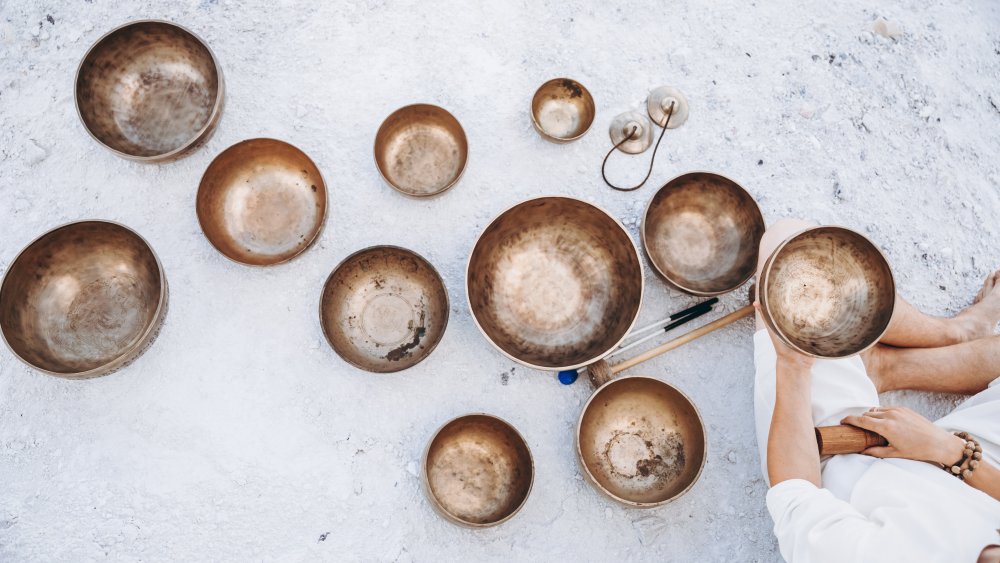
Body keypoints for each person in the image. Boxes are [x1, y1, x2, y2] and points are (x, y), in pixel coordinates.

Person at [753, 219, 1000, 563]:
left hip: (839, 458)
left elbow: (797, 493)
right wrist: (951, 452)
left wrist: (793, 365)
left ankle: (888, 366)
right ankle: (953, 334)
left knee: (794, 253)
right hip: (977, 467)